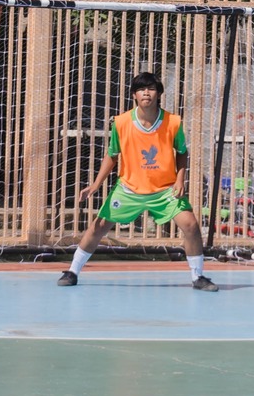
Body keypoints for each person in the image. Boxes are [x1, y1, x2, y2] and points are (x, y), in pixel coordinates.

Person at [58, 72, 217, 291]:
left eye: (151, 88)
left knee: (191, 225)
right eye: (142, 89)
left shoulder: (173, 122)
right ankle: (72, 271)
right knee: (98, 227)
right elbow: (112, 155)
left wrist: (180, 179)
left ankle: (198, 277)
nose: (146, 93)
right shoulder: (121, 122)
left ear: (158, 93)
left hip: (164, 190)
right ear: (134, 95)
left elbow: (182, 152)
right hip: (129, 188)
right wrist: (95, 184)